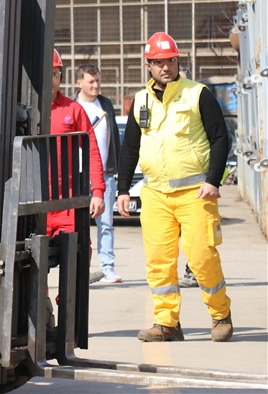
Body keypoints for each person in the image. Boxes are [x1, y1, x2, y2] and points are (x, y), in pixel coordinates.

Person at [117, 32, 232, 342]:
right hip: (155, 194)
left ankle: (220, 314)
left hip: (196, 192)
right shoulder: (140, 100)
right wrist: (123, 189)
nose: (165, 67)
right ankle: (167, 324)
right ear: (148, 65)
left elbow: (221, 138)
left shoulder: (198, 94)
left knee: (201, 257)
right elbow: (130, 147)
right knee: (159, 261)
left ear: (178, 61)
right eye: (158, 62)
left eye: (170, 61)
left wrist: (213, 180)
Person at [47, 49, 106, 240]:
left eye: (55, 74)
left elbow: (92, 152)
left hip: (66, 202)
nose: (51, 79)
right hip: (30, 203)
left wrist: (97, 191)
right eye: (46, 74)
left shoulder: (73, 110)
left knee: (76, 253)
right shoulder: (21, 111)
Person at [72, 64, 122, 284]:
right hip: (78, 176)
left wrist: (117, 169)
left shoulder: (106, 105)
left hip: (105, 175)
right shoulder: (73, 107)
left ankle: (108, 268)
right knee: (77, 225)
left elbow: (114, 141)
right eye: (91, 81)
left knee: (106, 223)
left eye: (98, 81)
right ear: (79, 83)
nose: (95, 85)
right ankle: (78, 268)